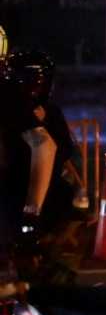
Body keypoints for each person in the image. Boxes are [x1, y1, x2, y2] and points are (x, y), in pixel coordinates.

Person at [0, 50, 82, 281]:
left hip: (22, 204)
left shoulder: (19, 108)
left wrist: (30, 211)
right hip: (46, 201)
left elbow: (47, 147)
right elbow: (59, 153)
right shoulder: (24, 108)